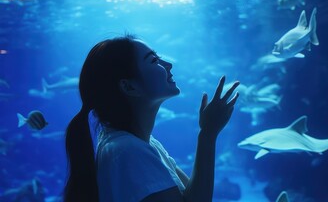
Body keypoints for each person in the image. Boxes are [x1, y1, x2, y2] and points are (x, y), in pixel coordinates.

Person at [63, 35, 240, 202]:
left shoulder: (143, 143)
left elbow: (194, 198)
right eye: (154, 61)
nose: (168, 64)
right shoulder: (128, 150)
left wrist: (208, 132)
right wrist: (208, 134)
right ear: (129, 87)